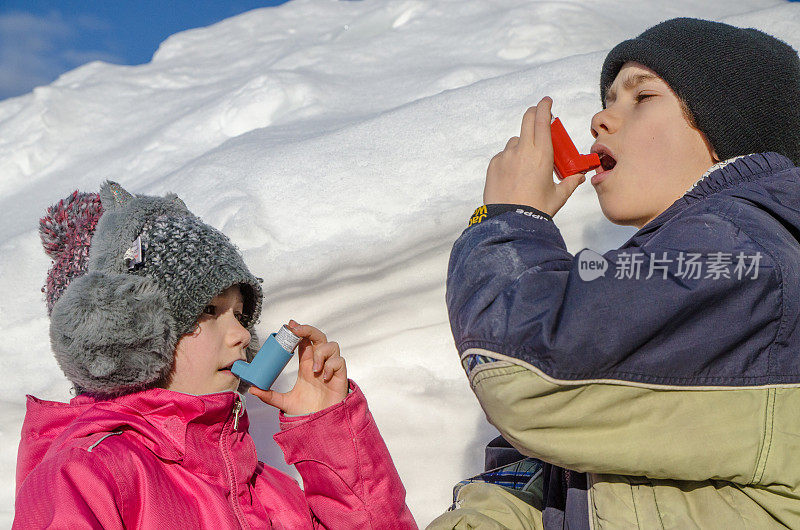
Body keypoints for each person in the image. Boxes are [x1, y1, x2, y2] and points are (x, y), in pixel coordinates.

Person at [429, 17, 800, 529]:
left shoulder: (748, 249)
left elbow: (526, 372)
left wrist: (508, 222)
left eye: (641, 97)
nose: (601, 119)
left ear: (727, 130)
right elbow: (539, 475)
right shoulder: (675, 275)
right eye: (608, 100)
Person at [14, 181, 417, 529]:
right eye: (208, 309)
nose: (242, 334)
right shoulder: (88, 474)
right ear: (132, 330)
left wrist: (330, 435)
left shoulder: (267, 491)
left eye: (241, 315)